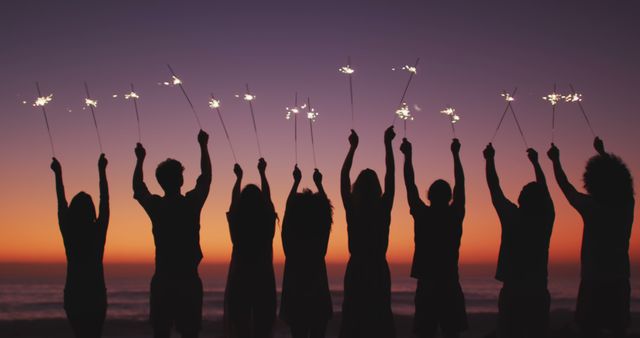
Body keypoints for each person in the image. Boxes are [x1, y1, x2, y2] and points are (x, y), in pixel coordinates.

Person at [548, 138, 634, 338]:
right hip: (620, 278)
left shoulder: (591, 207)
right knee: (617, 330)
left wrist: (555, 161)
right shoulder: (627, 205)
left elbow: (566, 187)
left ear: (592, 182)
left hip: (593, 280)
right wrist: (602, 154)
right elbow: (620, 181)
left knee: (589, 329)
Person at [133, 130, 211, 338]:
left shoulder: (158, 207)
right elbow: (206, 178)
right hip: (187, 279)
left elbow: (138, 188)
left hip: (164, 280)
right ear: (180, 180)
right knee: (190, 332)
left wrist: (140, 160)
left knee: (161, 332)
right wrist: (203, 146)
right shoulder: (190, 204)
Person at [483, 144, 554, 338]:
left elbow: (494, 188)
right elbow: (545, 191)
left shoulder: (512, 216)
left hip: (513, 290)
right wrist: (536, 164)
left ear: (521, 199)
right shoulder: (546, 218)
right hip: (538, 289)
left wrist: (489, 160)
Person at [400, 138, 467, 338]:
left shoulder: (423, 215)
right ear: (449, 197)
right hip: (449, 281)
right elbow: (461, 185)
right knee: (451, 332)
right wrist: (456, 155)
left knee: (424, 332)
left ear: (429, 196)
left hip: (427, 282)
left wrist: (407, 156)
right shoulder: (455, 214)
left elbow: (410, 185)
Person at [339, 127, 396, 338]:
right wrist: (388, 144)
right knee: (380, 317)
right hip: (378, 268)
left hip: (357, 268)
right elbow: (391, 175)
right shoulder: (383, 207)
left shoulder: (352, 209)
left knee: (353, 317)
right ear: (377, 188)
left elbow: (344, 176)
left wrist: (352, 148)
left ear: (357, 188)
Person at [51, 154, 109, 338]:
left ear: (73, 211)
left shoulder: (69, 231)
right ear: (92, 211)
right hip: (96, 293)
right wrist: (102, 171)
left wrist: (58, 174)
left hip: (75, 292)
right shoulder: (98, 230)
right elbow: (105, 201)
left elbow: (61, 202)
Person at [224, 159, 277, 338]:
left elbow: (233, 202)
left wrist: (238, 179)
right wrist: (262, 173)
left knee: (241, 328)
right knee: (263, 327)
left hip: (240, 277)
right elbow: (268, 199)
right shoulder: (266, 222)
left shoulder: (238, 222)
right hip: (263, 277)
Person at [280, 166, 333, 338]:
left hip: (296, 295)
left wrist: (295, 183)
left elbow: (288, 212)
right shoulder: (319, 237)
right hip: (318, 294)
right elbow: (326, 215)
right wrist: (320, 184)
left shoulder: (291, 241)